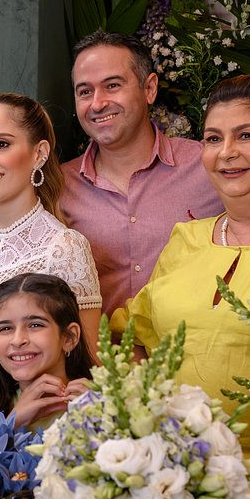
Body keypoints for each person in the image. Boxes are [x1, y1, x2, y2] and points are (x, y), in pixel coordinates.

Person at [114, 75, 250, 494]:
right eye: (213, 138)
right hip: (181, 484)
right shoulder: (187, 239)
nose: (227, 152)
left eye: (245, 135)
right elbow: (134, 338)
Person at [0, 93, 102, 413]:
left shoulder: (64, 247)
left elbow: (87, 362)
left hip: (30, 422)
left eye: (0, 144)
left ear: (39, 153)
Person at [60, 31, 221, 315]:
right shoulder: (59, 186)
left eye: (112, 85)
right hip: (99, 344)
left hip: (190, 341)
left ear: (149, 89)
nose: (97, 103)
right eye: (85, 91)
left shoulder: (208, 167)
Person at [0, 273, 97, 432]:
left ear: (69, 337)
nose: (17, 340)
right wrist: (13, 422)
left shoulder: (101, 399)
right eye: (5, 328)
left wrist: (102, 418)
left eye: (35, 325)